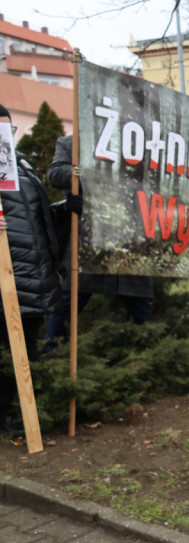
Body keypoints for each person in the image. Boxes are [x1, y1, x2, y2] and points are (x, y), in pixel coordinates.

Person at [43, 135, 155, 353]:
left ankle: (143, 362)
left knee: (140, 308)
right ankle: (50, 356)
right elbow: (55, 174)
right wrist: (84, 172)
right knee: (65, 306)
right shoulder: (72, 141)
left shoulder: (136, 142)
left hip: (130, 241)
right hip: (88, 241)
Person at [0, 104, 64, 435]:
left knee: (26, 352)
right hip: (4, 281)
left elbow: (37, 220)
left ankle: (19, 411)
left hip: (34, 277)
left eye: (7, 132)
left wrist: (65, 209)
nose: (5, 139)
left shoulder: (22, 165)